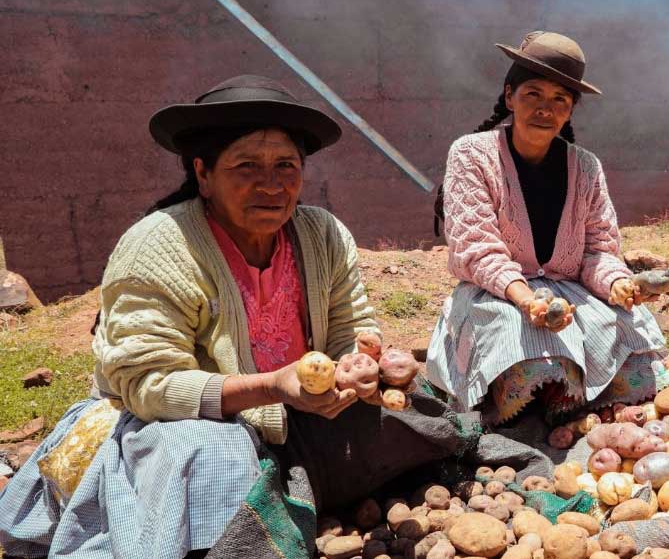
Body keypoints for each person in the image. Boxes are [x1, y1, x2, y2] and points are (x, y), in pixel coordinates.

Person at [0, 75, 404, 558]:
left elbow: (351, 325)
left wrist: (359, 364)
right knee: (211, 454)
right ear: (203, 174)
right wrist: (274, 386)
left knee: (413, 409)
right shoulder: (158, 247)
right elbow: (150, 386)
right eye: (247, 166)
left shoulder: (323, 235)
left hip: (294, 412)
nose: (271, 184)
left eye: (286, 165)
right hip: (169, 425)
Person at [427, 31, 667, 424]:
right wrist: (527, 301)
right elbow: (477, 249)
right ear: (510, 97)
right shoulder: (471, 154)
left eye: (560, 100)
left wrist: (618, 284)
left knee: (633, 338)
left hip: (568, 293)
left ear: (570, 110)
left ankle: (577, 409)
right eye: (533, 94)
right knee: (520, 341)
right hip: (497, 292)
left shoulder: (585, 167)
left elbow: (598, 251)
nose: (545, 109)